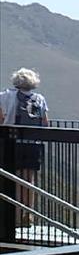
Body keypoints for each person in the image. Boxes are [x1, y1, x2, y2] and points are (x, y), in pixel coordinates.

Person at [0, 68, 50, 228]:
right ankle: (28, 215)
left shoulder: (6, 96)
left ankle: (13, 215)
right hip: (32, 145)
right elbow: (45, 123)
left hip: (11, 144)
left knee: (11, 180)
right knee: (29, 181)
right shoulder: (39, 99)